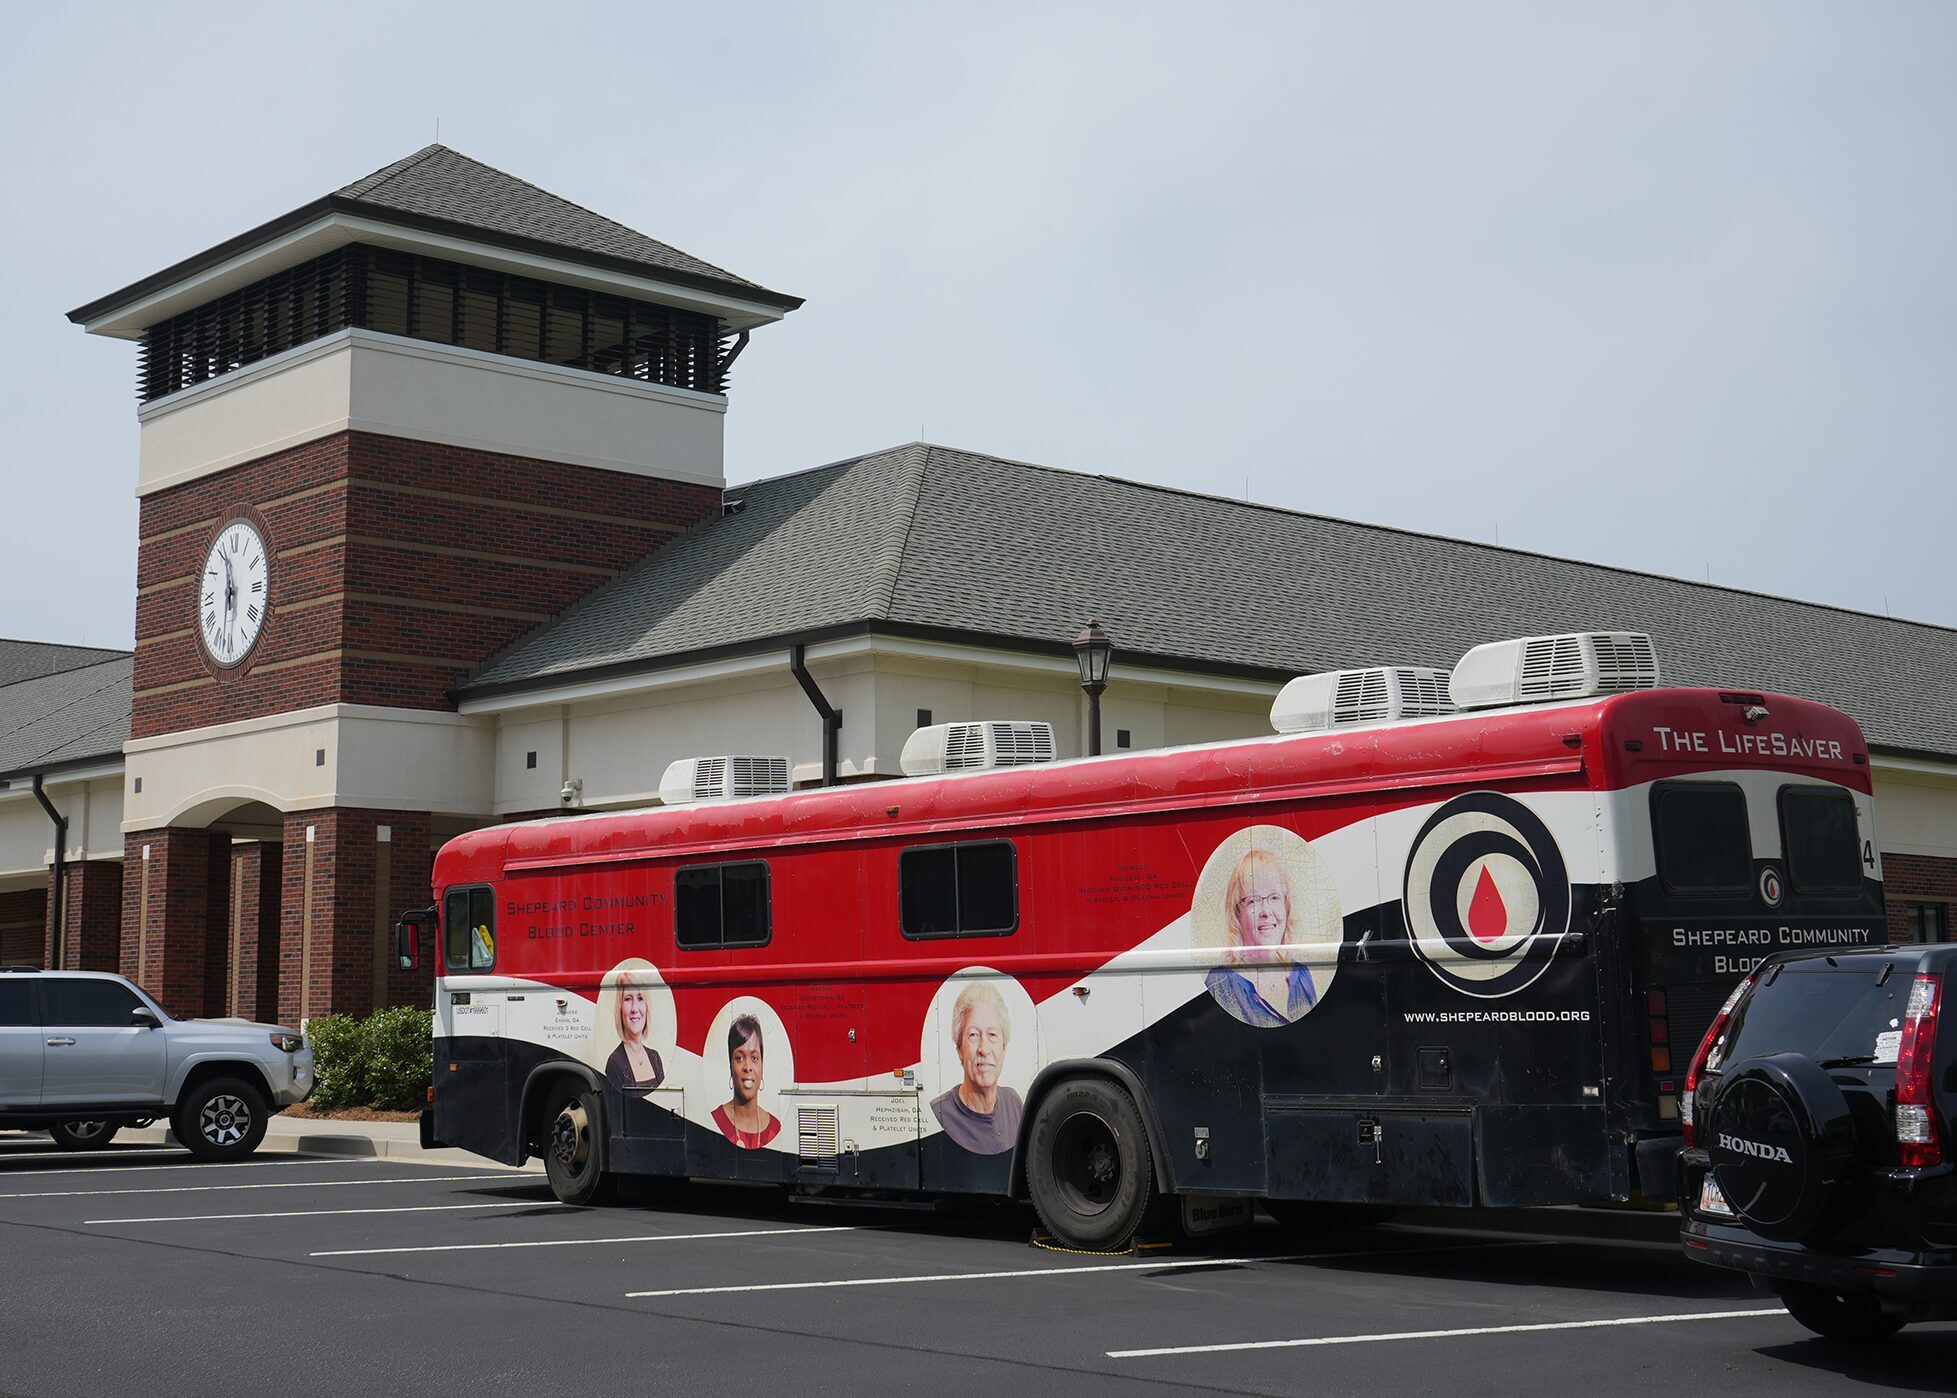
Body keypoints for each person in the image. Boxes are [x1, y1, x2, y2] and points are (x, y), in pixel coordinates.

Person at [1206, 845, 1318, 1027]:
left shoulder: (1301, 974)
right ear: (1237, 914)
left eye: (1274, 897)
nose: (1266, 912)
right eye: (1253, 900)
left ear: (1286, 906)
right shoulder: (1221, 982)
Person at [930, 981, 1023, 1154]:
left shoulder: (1014, 1103)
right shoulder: (939, 1115)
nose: (983, 1049)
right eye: (973, 1035)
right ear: (960, 1049)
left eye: (992, 1035)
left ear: (1004, 1048)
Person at [712, 1014, 780, 1149]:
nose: (748, 1067)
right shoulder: (716, 1121)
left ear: (762, 1066)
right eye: (739, 1058)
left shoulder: (775, 1128)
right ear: (730, 1066)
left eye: (754, 1058)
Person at [604, 974, 665, 1090]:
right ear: (620, 1008)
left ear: (647, 1006)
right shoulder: (614, 1063)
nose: (634, 1009)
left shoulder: (655, 1057)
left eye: (640, 998)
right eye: (628, 999)